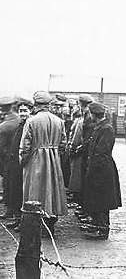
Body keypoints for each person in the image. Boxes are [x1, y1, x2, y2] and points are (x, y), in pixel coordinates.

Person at [19, 91, 68, 235]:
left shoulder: (31, 121)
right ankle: (50, 223)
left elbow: (25, 146)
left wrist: (23, 161)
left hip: (35, 160)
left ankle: (36, 225)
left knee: (35, 190)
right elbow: (63, 144)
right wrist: (54, 156)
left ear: (36, 105)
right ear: (48, 105)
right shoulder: (59, 121)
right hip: (53, 160)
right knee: (52, 189)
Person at [82, 102, 122, 240]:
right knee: (96, 199)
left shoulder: (106, 129)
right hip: (97, 168)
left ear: (94, 115)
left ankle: (102, 230)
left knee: (102, 201)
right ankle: (96, 225)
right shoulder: (100, 127)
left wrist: (93, 169)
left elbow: (101, 152)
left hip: (102, 170)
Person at [4, 99, 32, 230]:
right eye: (21, 111)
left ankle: (23, 221)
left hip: (24, 163)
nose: (23, 113)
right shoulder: (20, 124)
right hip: (14, 162)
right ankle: (17, 217)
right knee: (15, 190)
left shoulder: (29, 125)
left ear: (30, 111)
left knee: (22, 192)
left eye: (25, 111)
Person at [0, 97, 24, 219]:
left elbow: (1, 146)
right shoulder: (19, 119)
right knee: (16, 185)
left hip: (8, 158)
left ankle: (11, 211)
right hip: (18, 156)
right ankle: (13, 211)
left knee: (9, 184)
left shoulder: (5, 125)